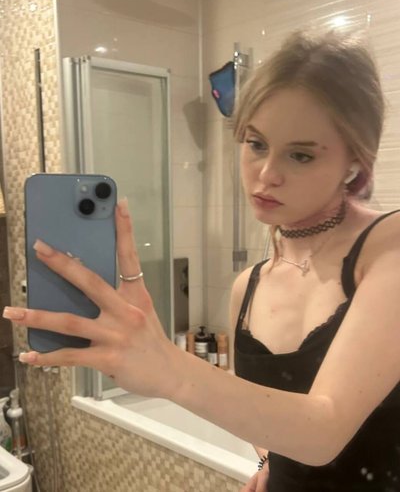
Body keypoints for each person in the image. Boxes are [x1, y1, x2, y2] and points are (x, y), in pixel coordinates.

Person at [3, 30, 400, 492]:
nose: (267, 173)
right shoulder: (249, 286)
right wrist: (267, 461)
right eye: (256, 144)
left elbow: (324, 431)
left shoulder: (387, 247)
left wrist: (168, 367)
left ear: (355, 159)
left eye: (300, 154)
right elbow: (270, 420)